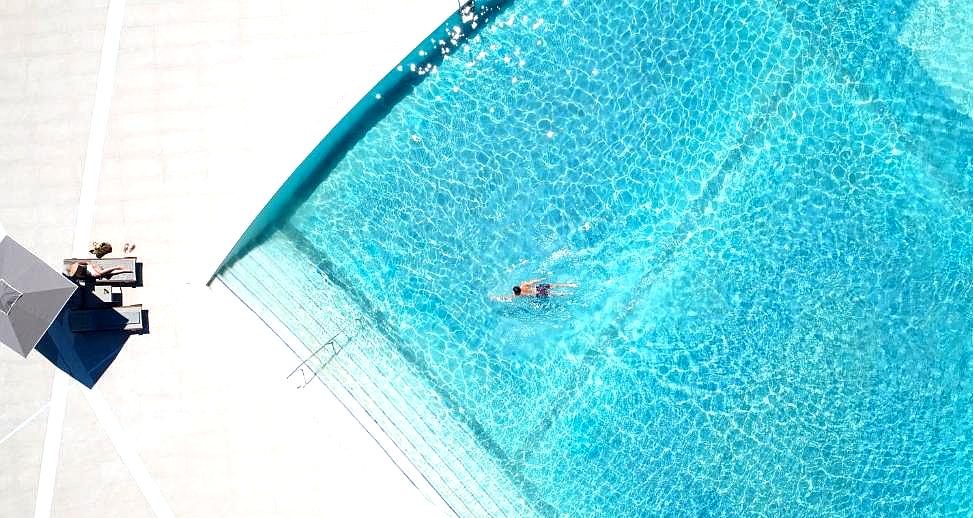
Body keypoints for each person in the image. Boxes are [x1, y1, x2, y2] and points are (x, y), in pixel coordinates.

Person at [490, 278, 577, 301]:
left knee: (555, 294)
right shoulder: (523, 285)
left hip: (537, 294)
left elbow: (507, 298)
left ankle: (568, 294)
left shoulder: (518, 295)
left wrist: (496, 297)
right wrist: (541, 279)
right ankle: (570, 285)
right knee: (555, 285)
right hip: (538, 287)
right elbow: (532, 281)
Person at [65, 261, 132, 280]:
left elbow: (87, 262)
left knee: (100, 273)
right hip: (92, 273)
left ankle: (116, 267)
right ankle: (124, 270)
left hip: (92, 268)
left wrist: (92, 266)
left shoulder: (77, 265)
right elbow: (86, 277)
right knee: (109, 274)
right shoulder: (77, 275)